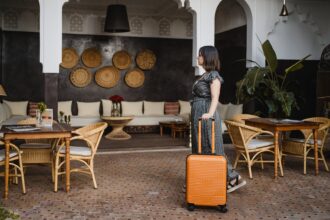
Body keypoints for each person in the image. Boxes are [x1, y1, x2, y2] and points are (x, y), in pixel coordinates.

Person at [190, 45, 246, 193]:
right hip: (199, 114)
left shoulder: (213, 75)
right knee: (200, 147)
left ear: (207, 57)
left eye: (200, 55)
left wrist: (209, 114)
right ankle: (201, 178)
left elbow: (215, 98)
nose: (198, 57)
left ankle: (234, 178)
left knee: (213, 147)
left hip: (206, 115)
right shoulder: (204, 75)